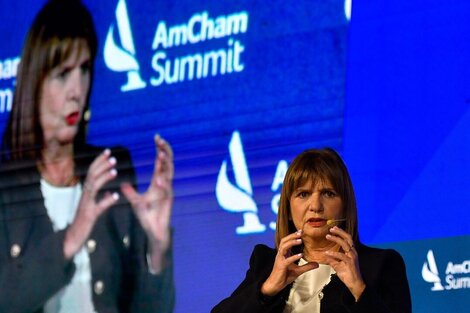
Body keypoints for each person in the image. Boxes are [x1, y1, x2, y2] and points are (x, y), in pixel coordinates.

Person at [0, 0, 174, 312]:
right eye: (63, 74)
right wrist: (73, 235)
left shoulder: (111, 170)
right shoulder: (6, 184)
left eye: (84, 70)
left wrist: (157, 250)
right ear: (34, 83)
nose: (76, 90)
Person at [212, 148, 411, 313]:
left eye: (328, 193)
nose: (315, 205)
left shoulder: (380, 264)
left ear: (345, 205)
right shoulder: (265, 263)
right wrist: (267, 289)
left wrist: (359, 288)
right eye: (303, 194)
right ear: (288, 210)